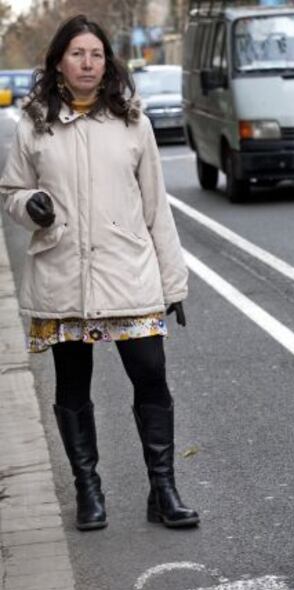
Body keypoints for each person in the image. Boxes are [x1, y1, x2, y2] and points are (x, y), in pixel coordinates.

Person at [0, 15, 199, 532]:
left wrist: (172, 284)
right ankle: (89, 494)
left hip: (128, 275)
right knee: (72, 387)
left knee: (151, 377)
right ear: (59, 63)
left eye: (96, 54)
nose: (88, 63)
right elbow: (11, 194)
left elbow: (157, 209)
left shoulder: (134, 122)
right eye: (77, 54)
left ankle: (164, 490)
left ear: (107, 62)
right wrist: (31, 205)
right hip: (64, 276)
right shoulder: (34, 124)